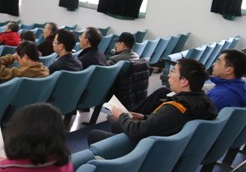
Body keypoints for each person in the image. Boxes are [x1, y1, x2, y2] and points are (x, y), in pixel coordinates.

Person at [88, 58, 218, 144]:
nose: (169, 75)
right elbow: (167, 122)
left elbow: (137, 131)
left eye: (173, 71)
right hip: (167, 146)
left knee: (94, 134)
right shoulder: (205, 101)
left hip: (146, 148)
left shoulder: (176, 108)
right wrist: (144, 117)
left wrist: (121, 115)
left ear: (184, 81)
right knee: (117, 125)